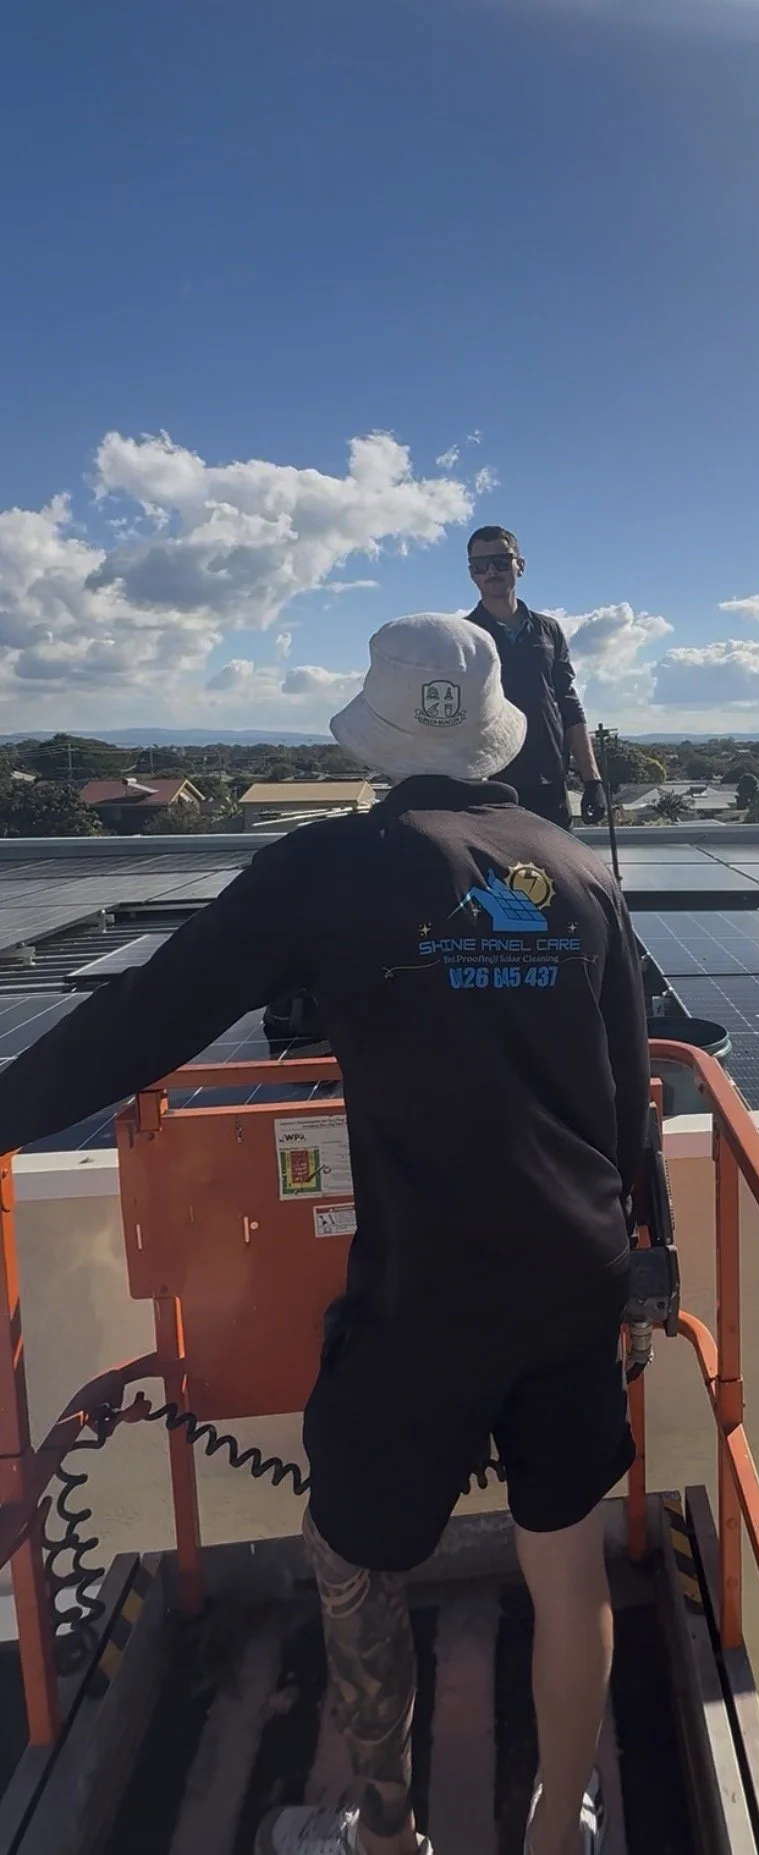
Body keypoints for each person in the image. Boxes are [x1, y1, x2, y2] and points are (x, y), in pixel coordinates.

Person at [0, 615, 651, 1855]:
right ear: (495, 728)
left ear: (379, 731)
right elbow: (629, 1108)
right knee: (566, 1558)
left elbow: (144, 1017)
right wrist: (636, 1270)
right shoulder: (577, 869)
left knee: (355, 1552)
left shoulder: (333, 866)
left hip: (426, 1296)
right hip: (580, 1270)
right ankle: (557, 1829)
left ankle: (386, 1835)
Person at [465, 526, 609, 831]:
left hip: (548, 780)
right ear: (471, 573)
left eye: (502, 561)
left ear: (520, 565)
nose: (491, 571)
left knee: (554, 875)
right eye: (481, 565)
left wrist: (592, 778)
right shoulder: (464, 636)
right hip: (488, 784)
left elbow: (569, 704)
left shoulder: (549, 630)